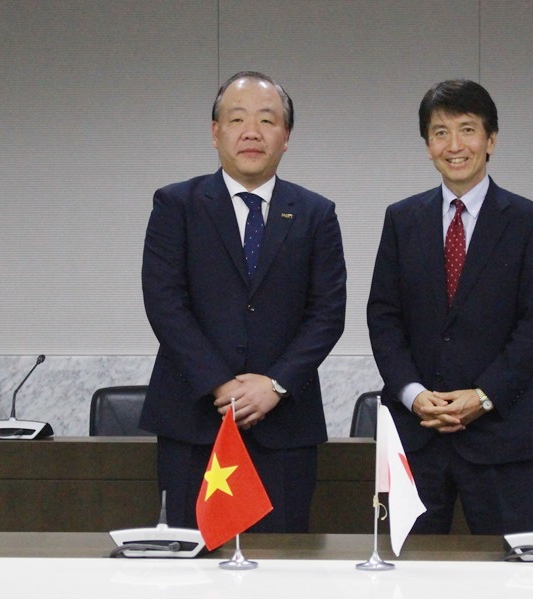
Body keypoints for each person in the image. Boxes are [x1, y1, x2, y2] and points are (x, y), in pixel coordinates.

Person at [140, 71, 346, 532]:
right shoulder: (176, 205)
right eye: (237, 119)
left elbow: (328, 314)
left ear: (286, 136)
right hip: (194, 424)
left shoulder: (316, 214)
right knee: (193, 565)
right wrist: (219, 384)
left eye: (267, 120)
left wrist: (272, 386)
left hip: (285, 425)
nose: (252, 132)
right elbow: (164, 302)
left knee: (282, 566)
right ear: (216, 132)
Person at [367, 79, 533, 535]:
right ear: (427, 146)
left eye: (467, 130)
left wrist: (484, 395)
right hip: (416, 437)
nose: (454, 146)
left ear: (491, 140)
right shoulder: (402, 219)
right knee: (409, 574)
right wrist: (412, 394)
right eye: (439, 133)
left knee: (508, 574)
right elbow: (383, 317)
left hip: (501, 439)